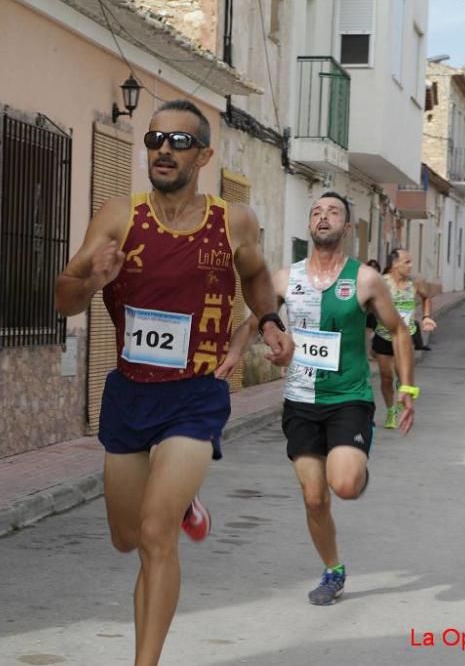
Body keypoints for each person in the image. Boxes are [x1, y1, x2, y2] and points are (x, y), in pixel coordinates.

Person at [54, 99, 292, 666]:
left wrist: (269, 319)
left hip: (197, 392)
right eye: (155, 139)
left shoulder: (233, 220)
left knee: (157, 536)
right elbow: (64, 297)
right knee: (128, 537)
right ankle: (183, 504)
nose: (163, 149)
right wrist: (93, 279)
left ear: (205, 155)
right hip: (131, 392)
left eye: (179, 141)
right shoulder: (119, 215)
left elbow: (256, 276)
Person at [225, 192, 417, 607]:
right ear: (310, 226)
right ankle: (333, 570)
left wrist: (406, 388)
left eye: (333, 212)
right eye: (315, 212)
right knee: (314, 498)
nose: (323, 217)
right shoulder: (284, 279)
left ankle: (356, 472)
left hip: (349, 397)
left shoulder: (365, 280)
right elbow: (258, 318)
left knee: (343, 485)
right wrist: (235, 351)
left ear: (347, 227)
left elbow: (399, 332)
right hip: (300, 400)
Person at [373, 248, 436, 429]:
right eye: (406, 262)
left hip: (405, 337)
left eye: (411, 262)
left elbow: (426, 298)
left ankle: (404, 407)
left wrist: (426, 317)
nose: (411, 266)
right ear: (394, 264)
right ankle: (391, 410)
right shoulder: (381, 283)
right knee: (386, 376)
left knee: (403, 376)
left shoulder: (414, 284)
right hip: (384, 335)